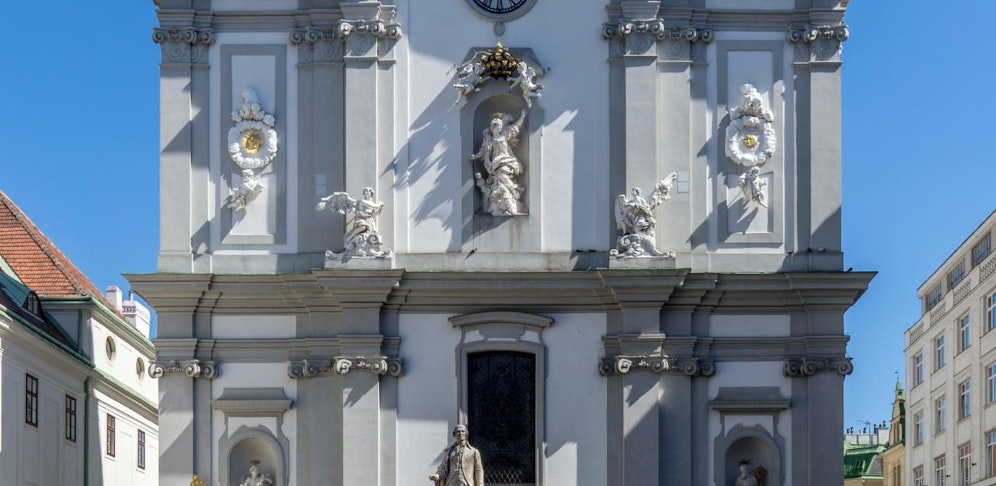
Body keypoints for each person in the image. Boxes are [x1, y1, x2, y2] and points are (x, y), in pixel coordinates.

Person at [469, 110, 527, 215]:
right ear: (493, 127)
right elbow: (483, 150)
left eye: (500, 125)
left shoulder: (505, 134)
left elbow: (515, 128)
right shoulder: (489, 139)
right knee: (498, 178)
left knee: (502, 173)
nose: (499, 127)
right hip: (494, 164)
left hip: (506, 161)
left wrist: (522, 116)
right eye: (497, 125)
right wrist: (476, 156)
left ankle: (514, 190)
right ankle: (511, 192)